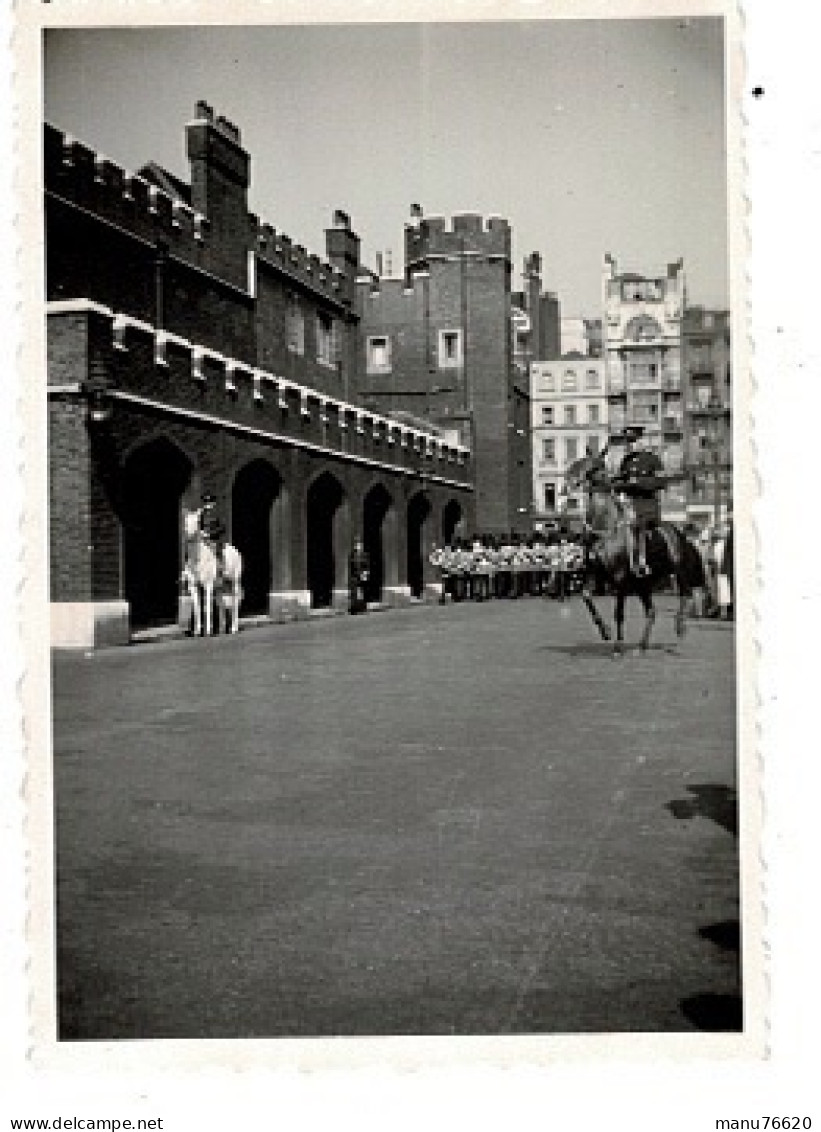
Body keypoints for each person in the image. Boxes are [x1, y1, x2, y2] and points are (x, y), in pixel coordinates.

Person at [610, 427, 664, 576]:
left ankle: (641, 561)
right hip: (629, 505)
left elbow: (660, 482)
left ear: (642, 441)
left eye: (632, 441)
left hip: (647, 505)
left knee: (636, 525)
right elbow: (619, 482)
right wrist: (614, 486)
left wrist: (638, 482)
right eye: (627, 441)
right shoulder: (625, 462)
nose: (629, 444)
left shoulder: (652, 459)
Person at [348, 537, 370, 614]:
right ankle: (355, 608)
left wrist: (365, 573)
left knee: (363, 592)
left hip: (362, 576)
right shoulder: (353, 555)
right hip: (355, 576)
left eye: (359, 545)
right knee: (355, 592)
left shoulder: (364, 555)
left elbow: (367, 565)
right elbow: (351, 566)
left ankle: (363, 608)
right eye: (357, 545)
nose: (358, 546)